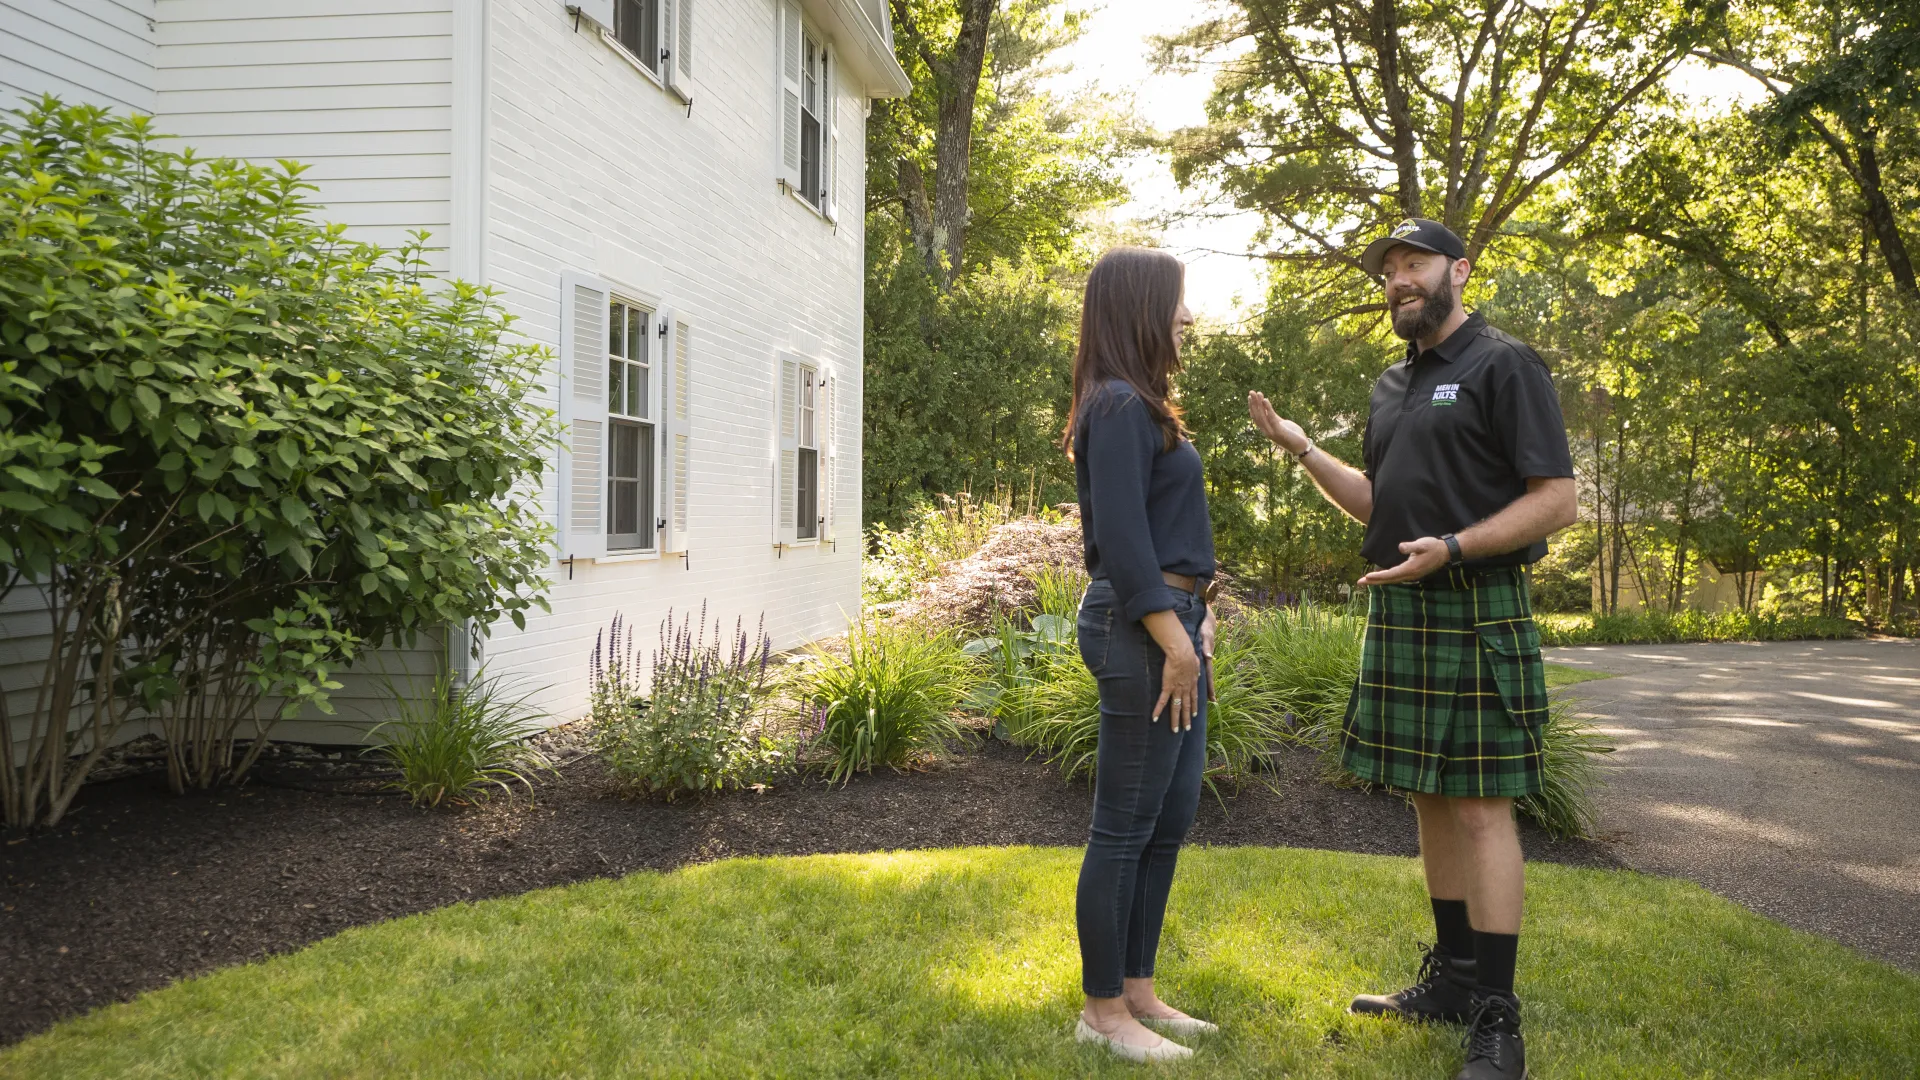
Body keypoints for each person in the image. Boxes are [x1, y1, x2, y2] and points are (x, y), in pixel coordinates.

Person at [1248, 218, 1576, 1080]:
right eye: (1389, 270)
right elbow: (1378, 506)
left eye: (1415, 263)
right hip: (1407, 606)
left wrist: (1459, 548)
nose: (1399, 279)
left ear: (1458, 270)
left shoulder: (1505, 365)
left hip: (1478, 601)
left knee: (1479, 808)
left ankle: (1498, 1020)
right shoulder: (1390, 386)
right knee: (1428, 800)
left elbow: (1557, 501)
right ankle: (1455, 980)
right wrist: (1303, 448)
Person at [1063, 246, 1219, 1064]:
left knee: (1169, 816)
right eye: (1176, 303)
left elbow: (1167, 531)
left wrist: (1202, 618)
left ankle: (1138, 988)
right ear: (1139, 308)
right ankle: (1100, 1011)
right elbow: (1121, 541)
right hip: (1140, 626)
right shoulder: (1118, 405)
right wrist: (1172, 638)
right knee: (1123, 825)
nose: (1187, 319)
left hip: (1174, 621)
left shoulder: (1143, 405)